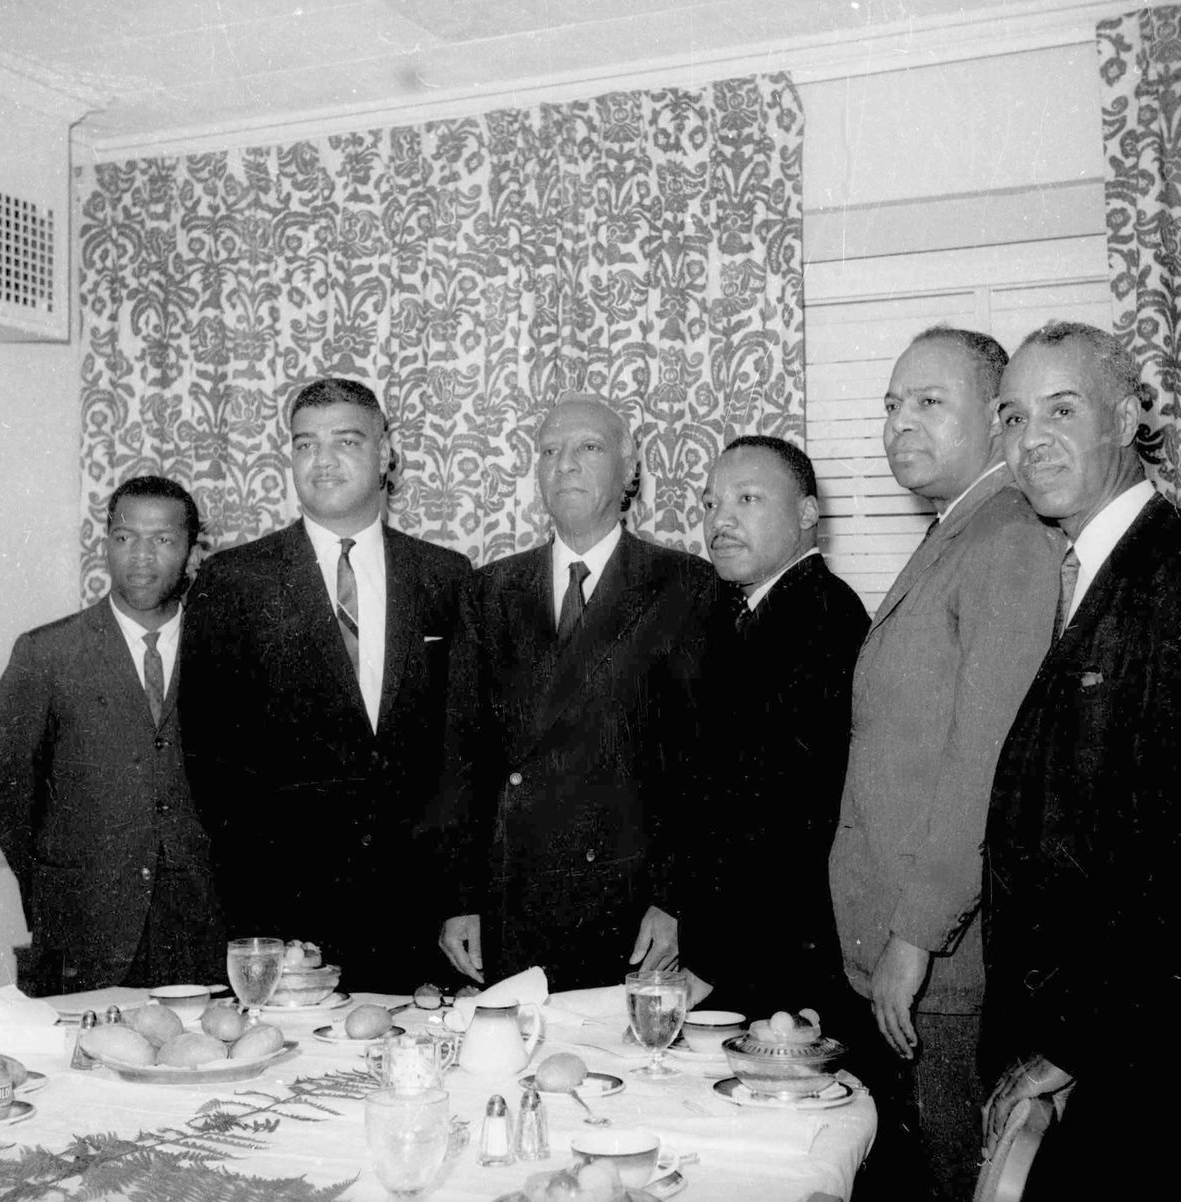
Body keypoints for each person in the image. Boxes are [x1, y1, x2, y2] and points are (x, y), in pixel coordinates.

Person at [827, 327, 1062, 1200]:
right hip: (913, 961)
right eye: (891, 405)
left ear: (999, 421)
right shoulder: (956, 532)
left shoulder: (1004, 539)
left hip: (943, 971)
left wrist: (915, 937)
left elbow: (982, 768)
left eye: (929, 402)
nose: (899, 425)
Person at [180, 377, 470, 989]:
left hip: (418, 915)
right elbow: (212, 768)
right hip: (287, 918)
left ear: (386, 453)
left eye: (346, 440)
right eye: (305, 444)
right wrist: (258, 918)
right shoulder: (234, 581)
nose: (324, 459)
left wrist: (458, 895)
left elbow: (461, 754)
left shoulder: (445, 576)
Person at [981, 322, 1181, 1198]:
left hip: (1130, 1059)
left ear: (1132, 412)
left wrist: (1071, 1042)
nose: (1031, 442)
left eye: (1062, 410)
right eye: (1014, 417)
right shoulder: (1085, 570)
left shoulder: (1169, 576)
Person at [435, 393, 716, 991]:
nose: (564, 464)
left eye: (588, 448)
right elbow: (461, 760)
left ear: (630, 470)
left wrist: (674, 901)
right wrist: (459, 899)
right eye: (549, 451)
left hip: (629, 901)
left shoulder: (685, 584)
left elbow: (698, 770)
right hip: (513, 895)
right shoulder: (488, 591)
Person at [0, 476, 224, 993]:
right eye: (124, 537)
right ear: (106, 545)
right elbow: (9, 794)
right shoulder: (46, 653)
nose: (141, 555)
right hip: (84, 932)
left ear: (192, 549)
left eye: (162, 539)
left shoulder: (226, 648)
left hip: (204, 933)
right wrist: (57, 886)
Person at [677, 436, 868, 1019]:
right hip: (742, 952)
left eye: (748, 499)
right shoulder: (744, 610)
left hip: (775, 960)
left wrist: (710, 960)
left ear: (808, 513)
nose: (720, 521)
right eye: (710, 504)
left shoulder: (822, 618)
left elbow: (783, 820)